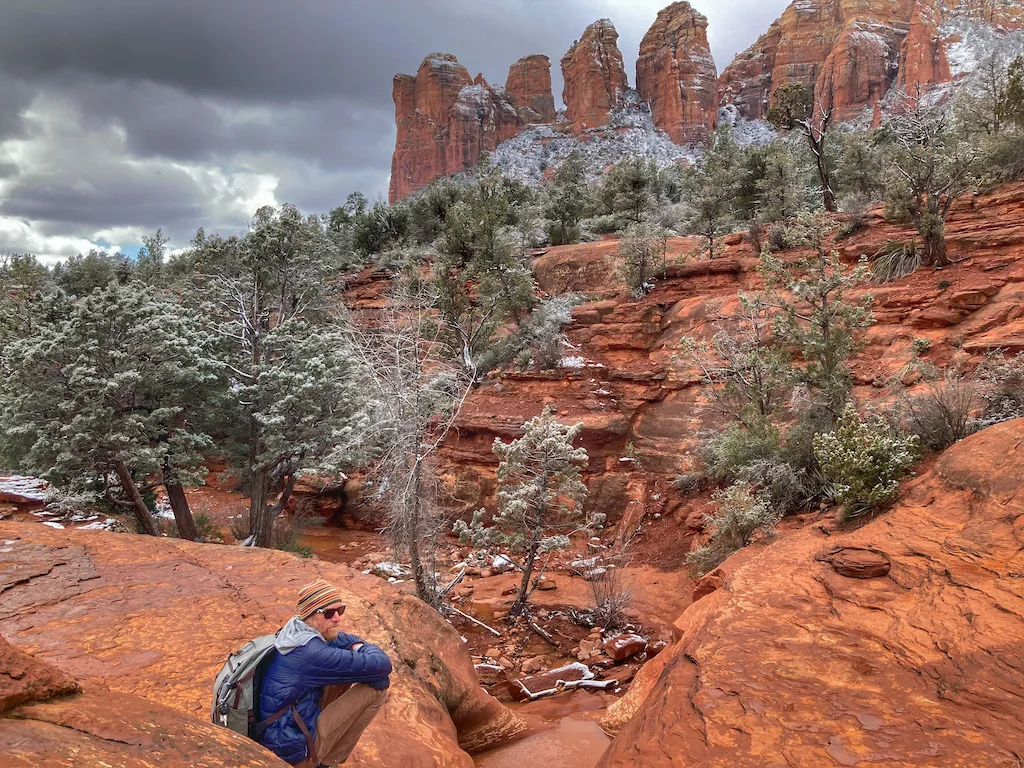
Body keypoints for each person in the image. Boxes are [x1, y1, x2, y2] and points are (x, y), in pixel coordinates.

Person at [259, 579, 392, 767]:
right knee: (377, 689)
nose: (337, 618)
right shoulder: (311, 653)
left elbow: (346, 638)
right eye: (329, 613)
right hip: (293, 751)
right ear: (310, 615)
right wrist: (359, 648)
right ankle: (327, 762)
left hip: (278, 731)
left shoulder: (295, 632)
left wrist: (356, 645)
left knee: (346, 673)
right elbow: (382, 665)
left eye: (340, 610)